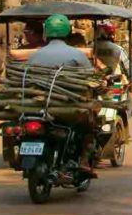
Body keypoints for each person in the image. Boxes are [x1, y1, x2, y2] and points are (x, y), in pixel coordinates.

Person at [26, 13, 95, 171]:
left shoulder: (34, 56)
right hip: (67, 106)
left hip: (37, 105)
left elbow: (27, 78)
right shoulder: (77, 54)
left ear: (46, 33)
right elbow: (92, 78)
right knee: (89, 127)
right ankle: (83, 161)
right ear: (68, 32)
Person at [27, 13, 92, 69]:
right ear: (68, 31)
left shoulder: (34, 56)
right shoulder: (78, 55)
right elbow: (89, 74)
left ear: (46, 31)